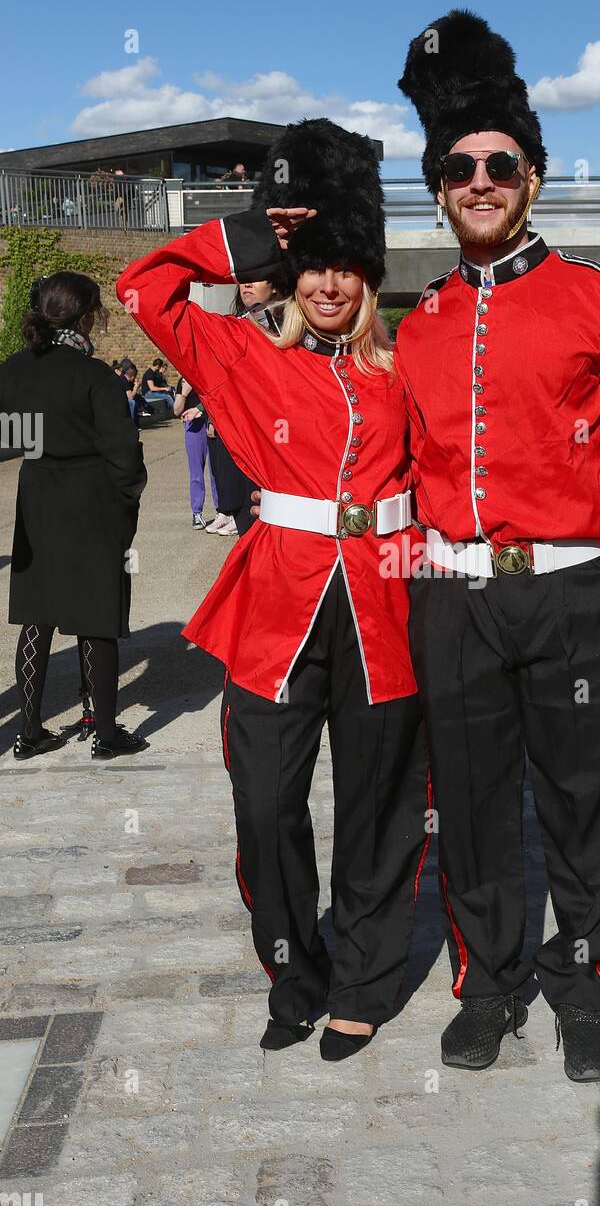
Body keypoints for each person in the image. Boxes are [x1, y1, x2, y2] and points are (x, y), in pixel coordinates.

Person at [396, 10, 600, 1081]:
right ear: (437, 183)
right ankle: (486, 981)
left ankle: (578, 986)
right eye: (458, 164)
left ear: (531, 176)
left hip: (573, 595)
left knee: (584, 799)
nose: (479, 179)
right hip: (453, 596)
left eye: (499, 163)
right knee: (465, 802)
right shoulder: (417, 320)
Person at [117, 118, 429, 1060]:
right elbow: (144, 289)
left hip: (388, 604)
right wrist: (258, 232)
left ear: (370, 279)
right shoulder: (243, 355)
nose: (331, 284)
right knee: (265, 805)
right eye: (316, 266)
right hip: (276, 606)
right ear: (295, 277)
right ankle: (295, 971)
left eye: (348, 267)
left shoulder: (409, 369)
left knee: (378, 807)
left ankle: (367, 981)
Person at [0, 272, 148, 760]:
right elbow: (124, 458)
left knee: (38, 616)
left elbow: (8, 441)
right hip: (93, 500)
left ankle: (28, 731)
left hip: (39, 497)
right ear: (85, 316)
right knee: (95, 617)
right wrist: (128, 509)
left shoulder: (14, 369)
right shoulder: (96, 377)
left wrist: (42, 445)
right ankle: (103, 731)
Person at [205, 275, 293, 537]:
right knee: (248, 525)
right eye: (243, 279)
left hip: (284, 444)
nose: (246, 284)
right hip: (242, 441)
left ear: (276, 284)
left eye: (256, 279)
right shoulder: (231, 329)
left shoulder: (296, 327)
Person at [173, 375, 218, 527]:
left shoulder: (207, 374)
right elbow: (176, 410)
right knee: (196, 471)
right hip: (193, 426)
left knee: (216, 470)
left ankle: (222, 510)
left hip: (211, 423)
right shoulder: (184, 380)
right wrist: (184, 393)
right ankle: (197, 513)